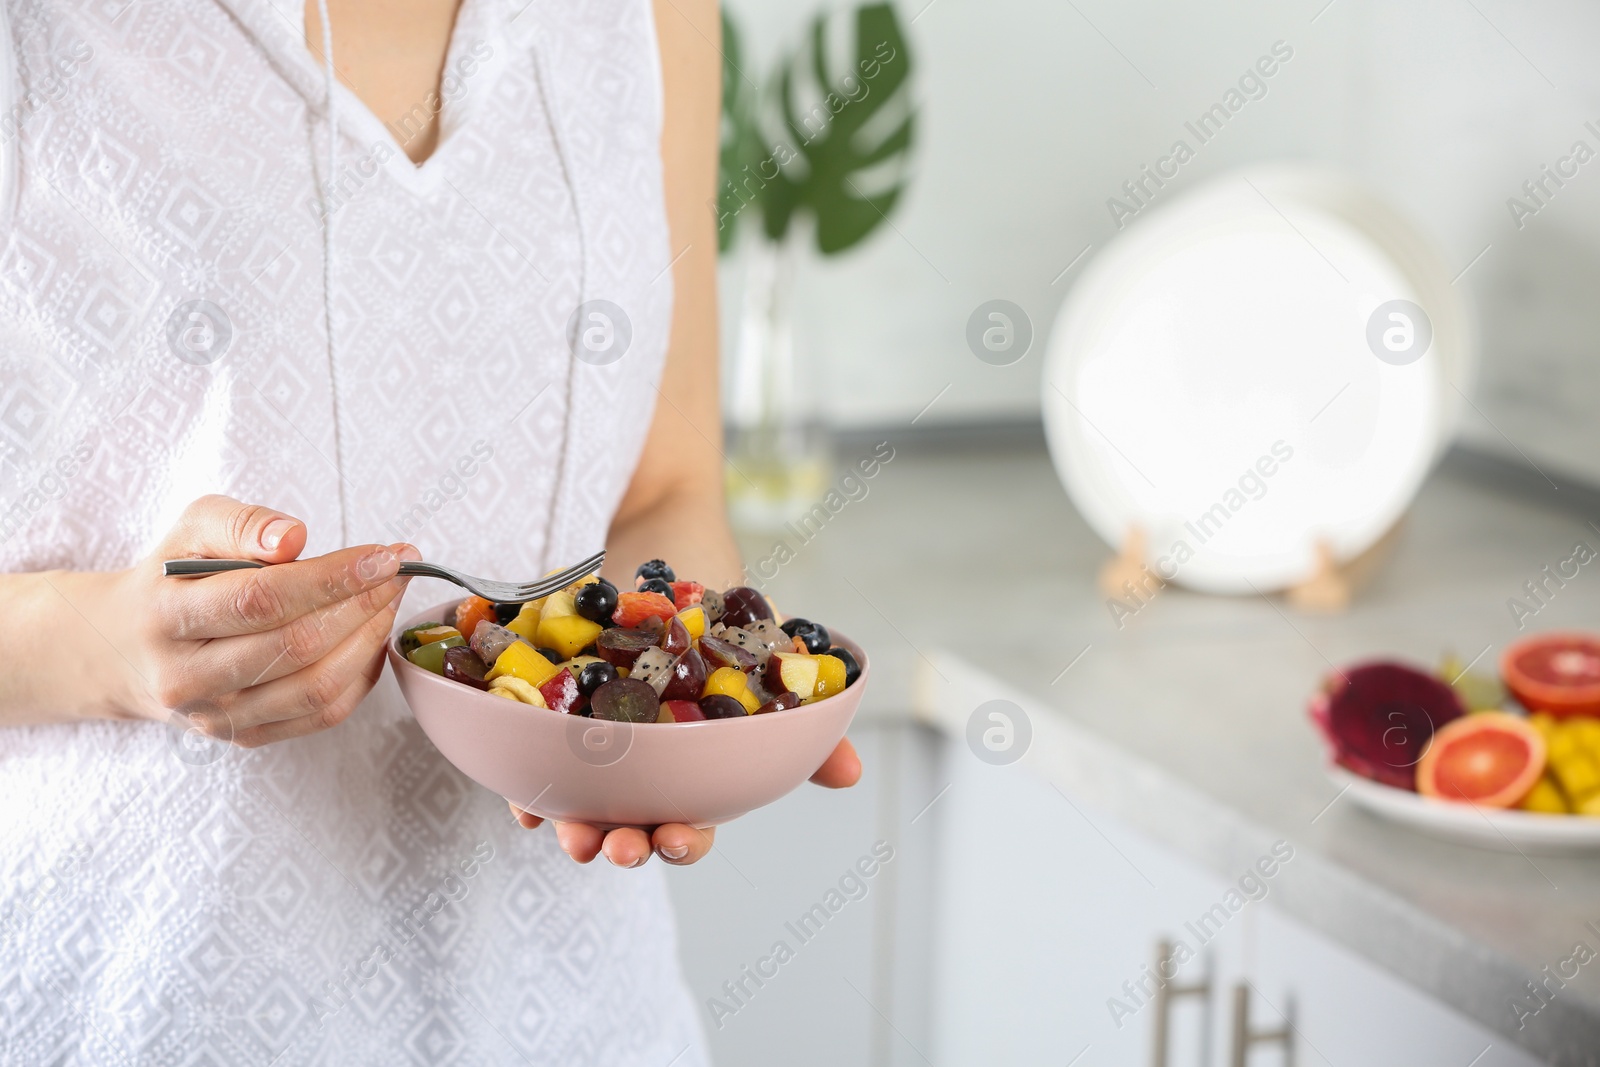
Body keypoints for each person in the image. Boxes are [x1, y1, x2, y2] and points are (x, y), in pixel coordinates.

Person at [0, 0, 860, 1061]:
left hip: (578, 1008)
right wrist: (105, 647)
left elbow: (661, 489)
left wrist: (685, 711)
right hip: (140, 1004)